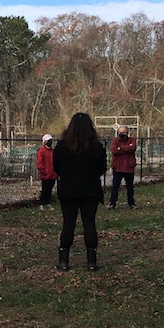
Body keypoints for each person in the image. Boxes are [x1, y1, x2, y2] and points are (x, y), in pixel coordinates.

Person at [53, 112, 107, 271]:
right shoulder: (96, 147)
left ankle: (63, 262)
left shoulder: (62, 146)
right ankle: (91, 262)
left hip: (68, 190)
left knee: (68, 224)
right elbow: (102, 168)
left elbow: (56, 167)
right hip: (90, 191)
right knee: (89, 224)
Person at [107, 125, 137, 210]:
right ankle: (112, 203)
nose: (121, 134)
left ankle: (131, 203)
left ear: (127, 133)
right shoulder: (115, 140)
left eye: (123, 132)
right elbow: (114, 150)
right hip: (118, 167)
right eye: (120, 132)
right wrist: (126, 149)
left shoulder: (132, 140)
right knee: (115, 186)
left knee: (130, 186)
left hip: (129, 167)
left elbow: (133, 148)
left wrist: (120, 148)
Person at [36, 134, 57, 210]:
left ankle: (48, 203)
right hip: (45, 175)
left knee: (49, 189)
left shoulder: (53, 151)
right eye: (48, 141)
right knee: (44, 189)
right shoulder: (41, 151)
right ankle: (41, 203)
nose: (50, 142)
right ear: (45, 142)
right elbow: (40, 163)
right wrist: (43, 171)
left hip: (52, 174)